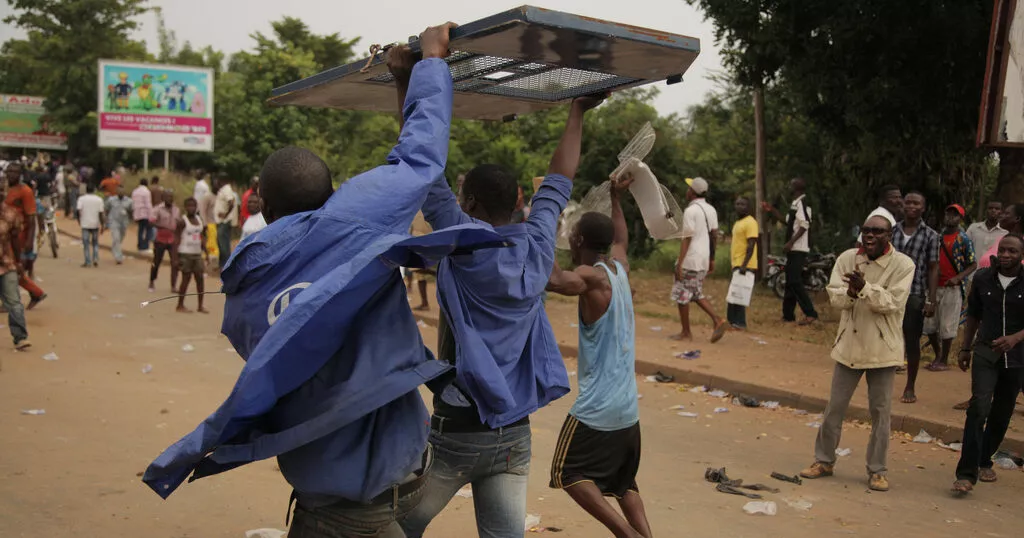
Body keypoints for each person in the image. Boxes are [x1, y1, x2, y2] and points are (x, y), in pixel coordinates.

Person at [144, 25, 506, 538]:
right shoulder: (355, 219)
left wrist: (408, 77)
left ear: (263, 209)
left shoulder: (243, 298)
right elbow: (419, 157)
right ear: (333, 191)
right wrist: (430, 61)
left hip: (321, 491)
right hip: (369, 499)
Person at [392, 43, 603, 535]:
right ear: (519, 201)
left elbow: (421, 161)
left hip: (458, 429)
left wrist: (407, 80)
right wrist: (577, 112)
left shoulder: (461, 246)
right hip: (513, 432)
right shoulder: (537, 244)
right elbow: (561, 178)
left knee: (397, 527)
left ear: (466, 201)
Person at [546, 175, 651, 538]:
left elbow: (555, 279)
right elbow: (621, 237)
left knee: (568, 473)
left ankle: (625, 534)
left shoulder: (590, 277)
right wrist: (616, 198)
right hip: (628, 410)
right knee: (623, 484)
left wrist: (544, 219)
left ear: (577, 241)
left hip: (597, 410)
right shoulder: (618, 267)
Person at [799, 214, 914, 492]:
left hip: (882, 350)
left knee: (880, 413)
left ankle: (877, 470)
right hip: (849, 346)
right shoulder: (848, 258)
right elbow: (835, 297)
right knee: (834, 408)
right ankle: (823, 460)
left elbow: (893, 303)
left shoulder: (903, 264)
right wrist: (850, 292)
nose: (870, 236)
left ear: (890, 235)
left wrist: (865, 289)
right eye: (866, 230)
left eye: (877, 231)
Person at [950, 234, 1024, 495]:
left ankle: (984, 459)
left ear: (1020, 255)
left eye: (1012, 251)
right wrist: (965, 347)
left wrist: (1016, 338)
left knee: (1002, 411)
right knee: (979, 407)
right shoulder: (982, 278)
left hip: (1017, 357)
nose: (1005, 255)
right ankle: (966, 473)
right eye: (1002, 250)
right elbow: (973, 315)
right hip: (985, 352)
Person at [892, 191, 940, 404]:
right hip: (889, 291)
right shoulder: (891, 231)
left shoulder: (931, 235)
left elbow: (933, 268)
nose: (911, 206)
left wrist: (931, 299)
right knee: (887, 336)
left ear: (923, 207)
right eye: (908, 202)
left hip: (915, 293)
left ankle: (910, 386)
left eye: (916, 203)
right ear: (902, 205)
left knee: (912, 340)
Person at [670, 176, 727, 342]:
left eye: (689, 189)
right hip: (703, 258)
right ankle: (717, 320)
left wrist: (679, 263)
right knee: (694, 292)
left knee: (682, 295)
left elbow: (687, 238)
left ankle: (686, 332)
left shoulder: (690, 211)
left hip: (690, 259)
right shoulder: (711, 210)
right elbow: (714, 235)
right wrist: (712, 258)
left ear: (692, 192)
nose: (687, 191)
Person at [923, 204, 976, 372]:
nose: (950, 217)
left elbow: (973, 263)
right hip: (933, 285)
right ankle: (938, 355)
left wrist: (958, 278)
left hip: (952, 287)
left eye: (955, 215)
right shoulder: (936, 237)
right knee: (929, 324)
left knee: (947, 326)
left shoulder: (963, 238)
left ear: (960, 218)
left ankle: (944, 359)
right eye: (948, 214)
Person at [764, 178, 819, 325]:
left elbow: (804, 225)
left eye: (790, 185)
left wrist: (790, 242)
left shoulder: (802, 203)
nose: (788, 187)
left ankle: (810, 313)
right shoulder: (795, 204)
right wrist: (772, 210)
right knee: (789, 282)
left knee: (795, 281)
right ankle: (788, 315)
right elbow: (788, 222)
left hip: (799, 248)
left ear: (797, 187)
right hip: (793, 248)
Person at [3, 162, 46, 308]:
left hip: (18, 235)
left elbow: (31, 218)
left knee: (10, 267)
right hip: (5, 235)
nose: (12, 175)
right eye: (10, 172)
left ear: (20, 174)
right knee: (9, 267)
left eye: (15, 172)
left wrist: (29, 241)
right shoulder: (5, 189)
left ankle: (32, 293)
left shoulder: (25, 191)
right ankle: (36, 292)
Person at [1, 202, 30, 350]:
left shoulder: (10, 214)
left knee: (14, 302)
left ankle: (20, 338)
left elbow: (15, 239)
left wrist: (19, 261)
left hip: (6, 264)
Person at [727, 196, 759, 330]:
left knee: (739, 296)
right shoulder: (738, 223)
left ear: (748, 207)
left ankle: (739, 323)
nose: (739, 206)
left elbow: (751, 245)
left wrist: (744, 265)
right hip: (737, 264)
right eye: (737, 204)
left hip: (745, 265)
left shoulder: (750, 222)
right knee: (733, 295)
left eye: (743, 204)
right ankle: (731, 322)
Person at [174, 197, 208, 314]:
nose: (191, 208)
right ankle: (180, 305)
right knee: (186, 279)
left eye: (193, 206)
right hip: (185, 253)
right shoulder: (182, 221)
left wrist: (206, 252)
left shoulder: (199, 220)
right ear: (185, 207)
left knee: (200, 279)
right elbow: (176, 238)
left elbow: (202, 237)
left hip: (197, 253)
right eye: (189, 206)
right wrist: (175, 258)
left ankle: (200, 305)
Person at [149, 190, 180, 293]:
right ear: (163, 198)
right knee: (156, 261)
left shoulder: (176, 209)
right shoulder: (158, 209)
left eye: (171, 197)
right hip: (160, 238)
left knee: (175, 263)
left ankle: (173, 286)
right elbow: (151, 222)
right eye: (167, 197)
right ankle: (152, 281)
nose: (170, 199)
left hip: (172, 239)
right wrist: (164, 227)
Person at [976, 204, 1022, 269]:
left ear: (1017, 218)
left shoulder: (1021, 242)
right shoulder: (1002, 239)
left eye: (1006, 214)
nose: (1001, 215)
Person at [966, 201, 1006, 270]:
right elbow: (964, 247)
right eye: (990, 208)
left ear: (1001, 212)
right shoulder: (973, 228)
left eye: (997, 209)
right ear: (986, 211)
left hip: (992, 276)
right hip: (971, 274)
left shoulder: (1005, 233)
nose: (993, 210)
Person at [406, 211, 432, 311]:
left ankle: (425, 303)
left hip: (427, 241)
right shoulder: (416, 209)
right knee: (419, 273)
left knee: (422, 272)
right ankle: (424, 303)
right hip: (419, 241)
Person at [76, 184, 105, 267]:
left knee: (86, 243)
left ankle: (87, 261)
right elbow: (101, 213)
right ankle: (95, 259)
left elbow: (78, 210)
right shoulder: (99, 200)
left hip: (85, 223)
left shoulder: (81, 199)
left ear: (86, 190)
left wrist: (79, 220)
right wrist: (102, 225)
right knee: (95, 242)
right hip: (95, 224)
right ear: (94, 190)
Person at [213, 173, 238, 268]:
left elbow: (231, 202)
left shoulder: (227, 189)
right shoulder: (223, 190)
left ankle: (227, 266)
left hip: (224, 221)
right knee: (221, 243)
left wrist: (226, 214)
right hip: (220, 222)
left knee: (224, 245)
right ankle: (222, 265)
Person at [104, 186, 134, 264]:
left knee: (120, 238)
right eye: (119, 191)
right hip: (113, 221)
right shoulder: (111, 200)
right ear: (117, 192)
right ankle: (118, 257)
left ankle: (115, 248)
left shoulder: (129, 201)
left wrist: (131, 219)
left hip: (124, 222)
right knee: (116, 238)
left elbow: (131, 211)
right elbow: (106, 209)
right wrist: (106, 220)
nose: (121, 193)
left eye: (122, 191)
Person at [198, 180, 219, 269]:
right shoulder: (207, 196)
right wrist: (204, 223)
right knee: (210, 244)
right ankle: (209, 263)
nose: (217, 187)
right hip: (209, 223)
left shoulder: (219, 196)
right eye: (215, 185)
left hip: (218, 224)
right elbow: (202, 210)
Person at [132, 178, 153, 252]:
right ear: (147, 184)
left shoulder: (135, 191)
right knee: (149, 230)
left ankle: (140, 246)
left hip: (137, 213)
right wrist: (151, 215)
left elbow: (133, 203)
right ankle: (145, 246)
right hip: (145, 213)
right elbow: (148, 204)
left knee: (140, 230)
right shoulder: (146, 192)